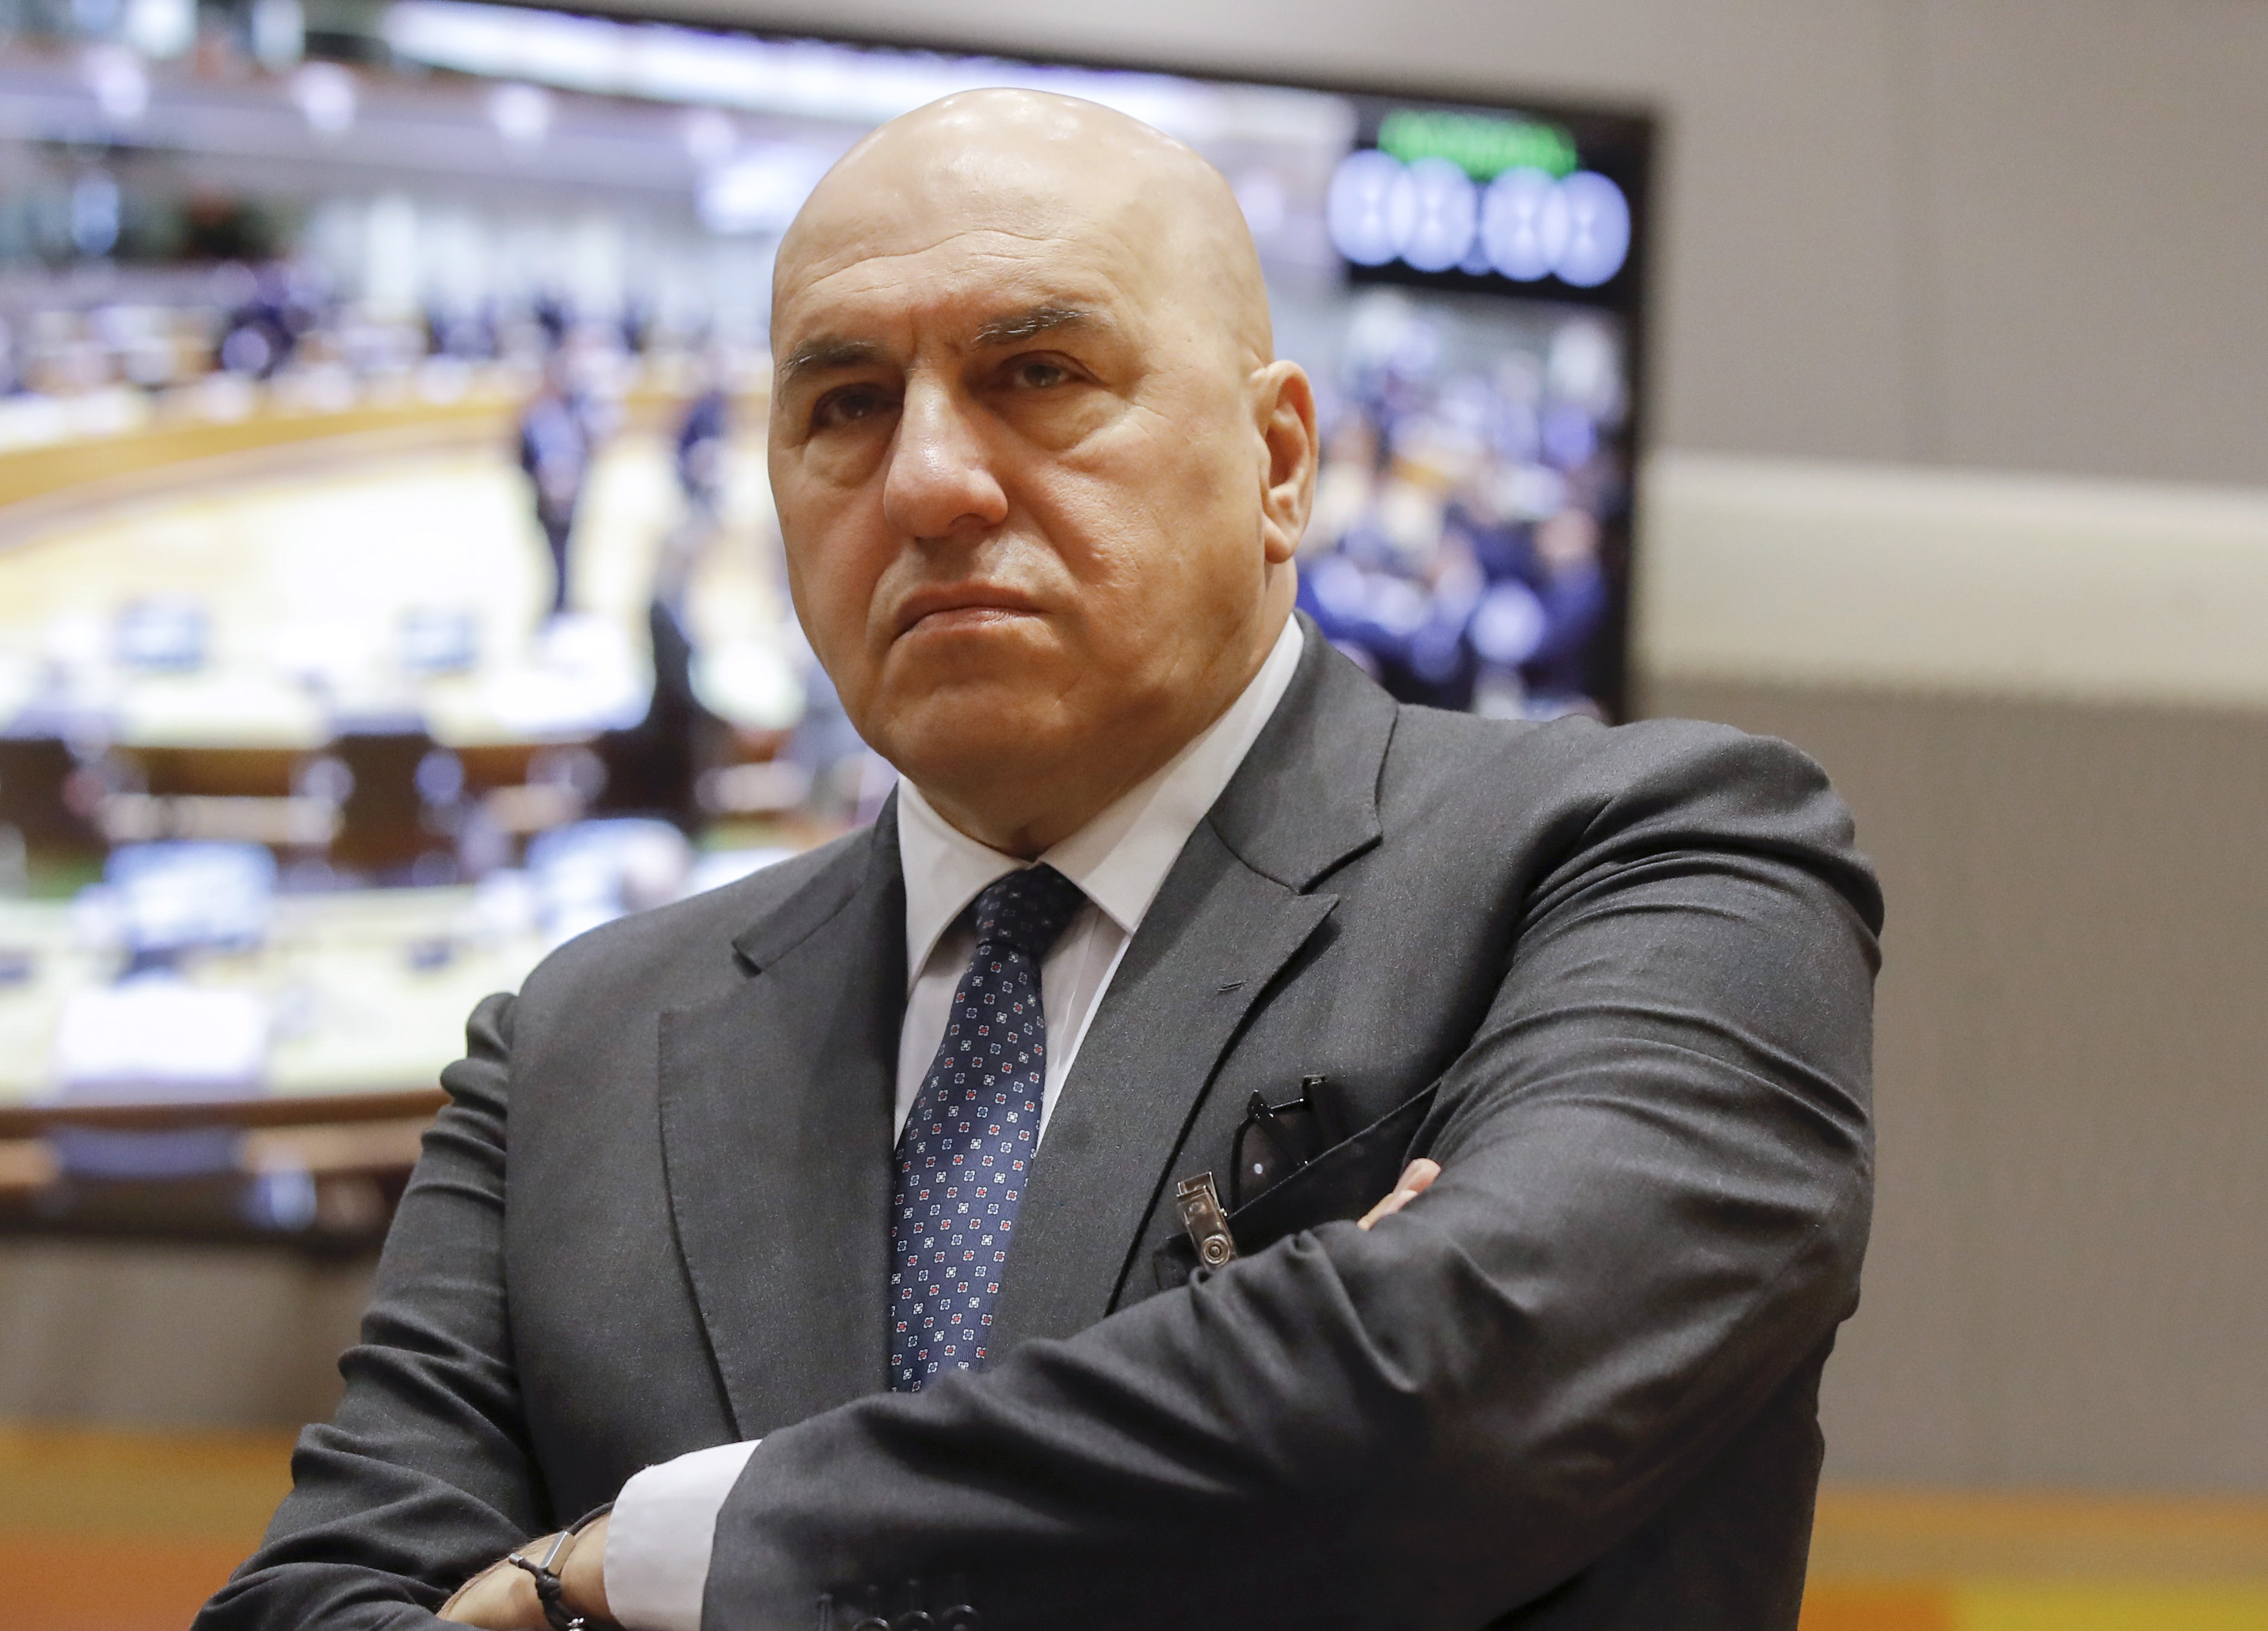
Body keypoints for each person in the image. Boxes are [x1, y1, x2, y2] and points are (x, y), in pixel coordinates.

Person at [196, 89, 1880, 1631]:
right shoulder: (577, 1044)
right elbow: (316, 1606)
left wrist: (633, 1562)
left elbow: (1446, 1393)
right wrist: (1275, 1389)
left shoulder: (1651, 860)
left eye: (1039, 373)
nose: (928, 480)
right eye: (847, 403)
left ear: (1281, 462)